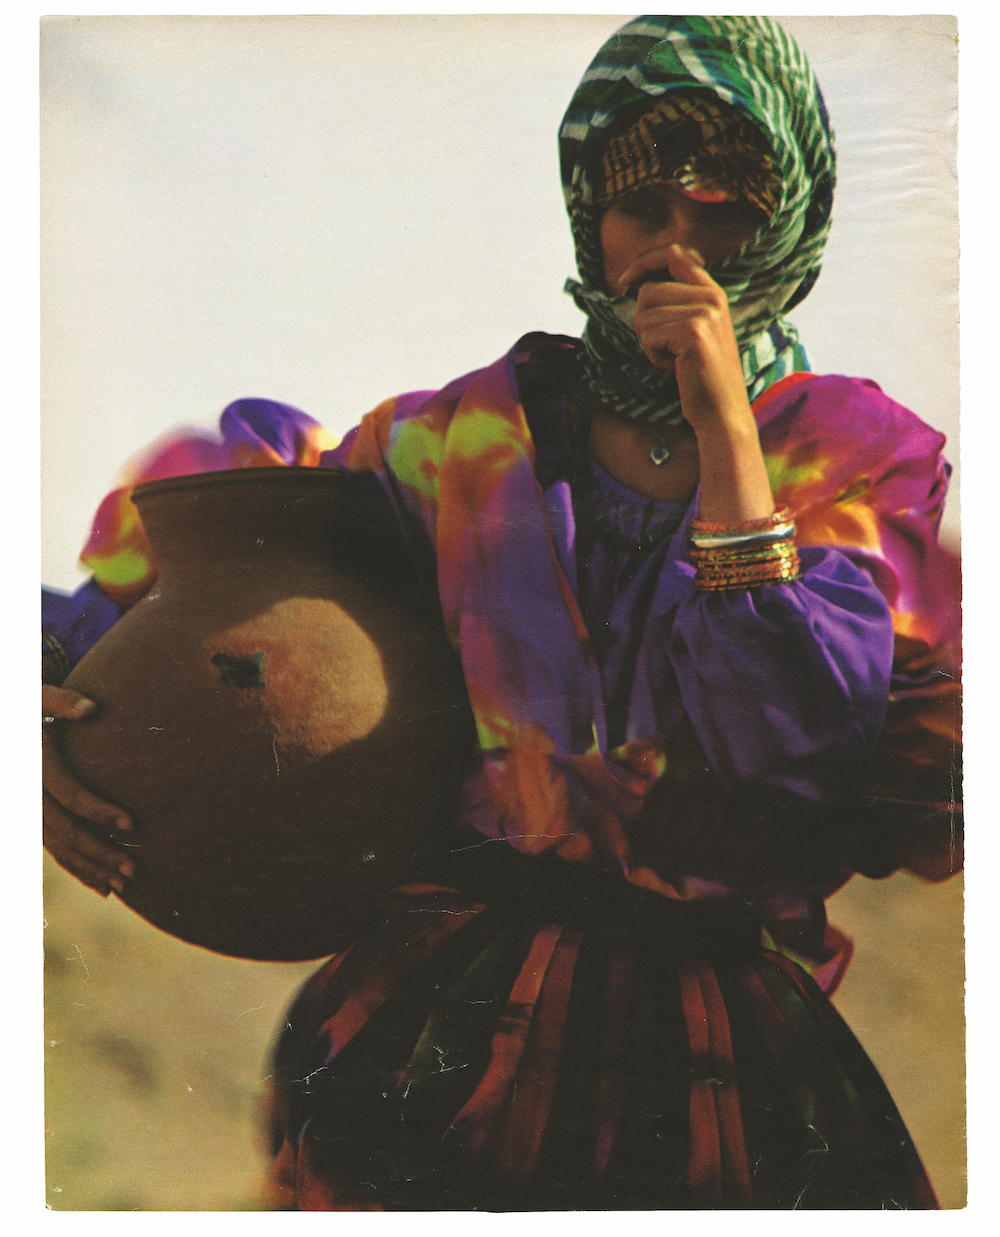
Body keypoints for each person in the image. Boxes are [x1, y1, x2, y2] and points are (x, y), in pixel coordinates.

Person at [43, 15, 960, 1210]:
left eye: (728, 204)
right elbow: (216, 556)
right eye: (642, 205)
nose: (679, 246)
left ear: (789, 216)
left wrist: (728, 425)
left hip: (717, 1057)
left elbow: (780, 739)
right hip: (448, 1028)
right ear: (589, 213)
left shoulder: (848, 455)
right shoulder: (460, 442)